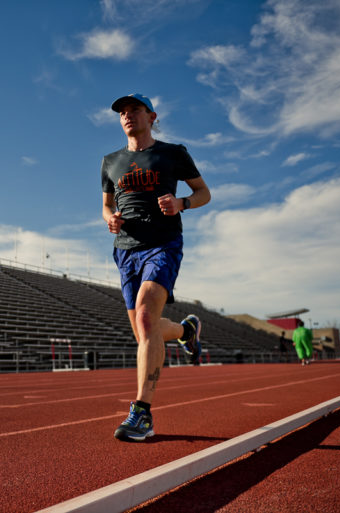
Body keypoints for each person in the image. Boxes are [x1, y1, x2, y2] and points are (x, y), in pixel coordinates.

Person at [101, 93, 211, 442]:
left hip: (162, 244)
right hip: (125, 251)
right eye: (122, 112)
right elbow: (106, 206)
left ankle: (142, 413)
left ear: (151, 116)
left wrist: (182, 202)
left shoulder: (172, 153)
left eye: (135, 109)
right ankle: (186, 331)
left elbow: (204, 192)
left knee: (147, 318)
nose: (127, 115)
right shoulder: (110, 161)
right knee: (143, 334)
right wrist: (110, 219)